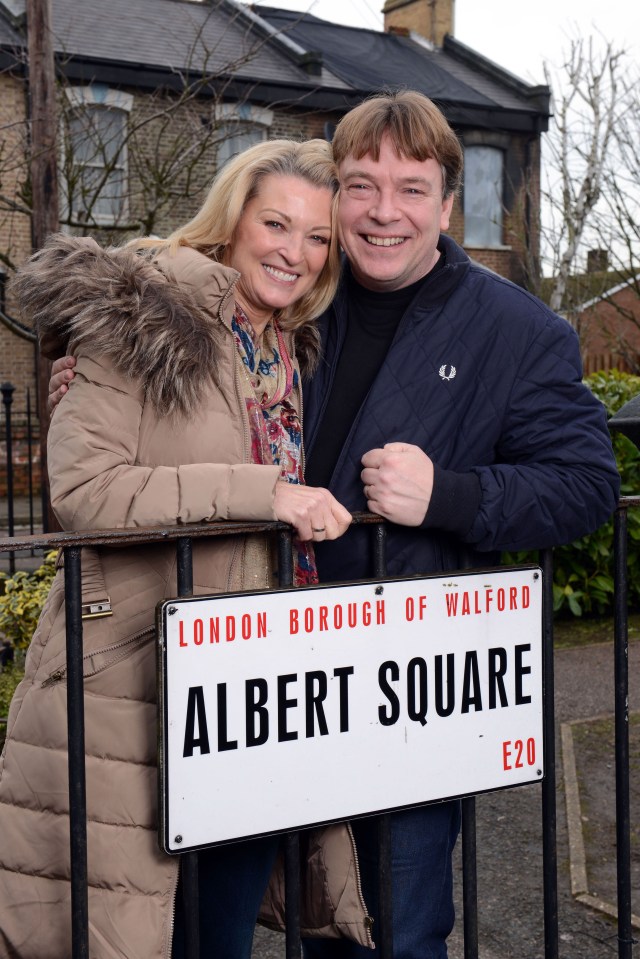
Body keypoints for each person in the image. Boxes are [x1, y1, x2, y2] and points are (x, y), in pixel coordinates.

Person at [46, 91, 621, 959]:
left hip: (405, 691)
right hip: (251, 680)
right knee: (235, 921)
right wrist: (98, 379)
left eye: (412, 188)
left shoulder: (520, 330)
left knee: (388, 933)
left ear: (447, 204)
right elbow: (180, 386)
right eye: (362, 186)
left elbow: (585, 487)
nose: (384, 212)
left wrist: (453, 496)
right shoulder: (297, 294)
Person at [0, 139, 376, 959]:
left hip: (249, 691)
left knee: (222, 934)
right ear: (233, 219)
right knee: (128, 930)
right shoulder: (147, 313)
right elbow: (85, 492)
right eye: (277, 223)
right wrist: (265, 492)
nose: (296, 252)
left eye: (318, 238)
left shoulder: (284, 346)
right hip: (133, 685)